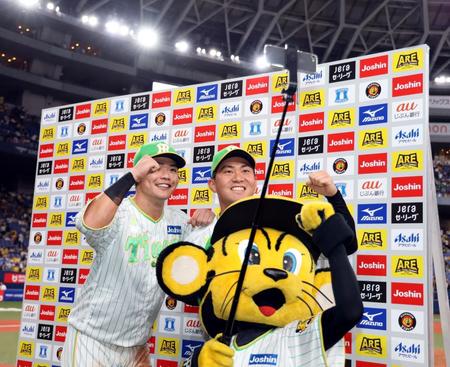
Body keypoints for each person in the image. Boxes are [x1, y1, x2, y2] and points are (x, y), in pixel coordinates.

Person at [61, 142, 213, 367]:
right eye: (156, 167)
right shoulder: (119, 212)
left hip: (137, 346)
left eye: (172, 169)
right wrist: (131, 175)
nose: (166, 175)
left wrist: (208, 215)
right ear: (140, 174)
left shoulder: (180, 222)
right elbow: (88, 224)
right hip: (91, 340)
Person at [186, 145, 356, 252]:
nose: (238, 177)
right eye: (228, 171)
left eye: (245, 171)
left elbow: (348, 245)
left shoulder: (280, 221)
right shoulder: (200, 232)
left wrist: (333, 196)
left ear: (255, 183)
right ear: (213, 184)